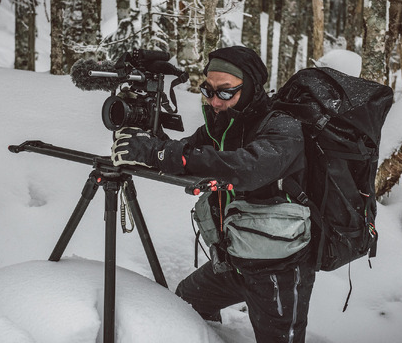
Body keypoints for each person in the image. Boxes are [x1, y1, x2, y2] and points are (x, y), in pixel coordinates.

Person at [111, 46, 315, 343]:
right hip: (234, 259)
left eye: (225, 91)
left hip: (279, 270)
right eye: (207, 89)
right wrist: (147, 144)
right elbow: (188, 156)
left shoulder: (282, 126)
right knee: (187, 302)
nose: (213, 100)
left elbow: (248, 168)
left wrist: (165, 154)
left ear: (250, 88)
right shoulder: (221, 126)